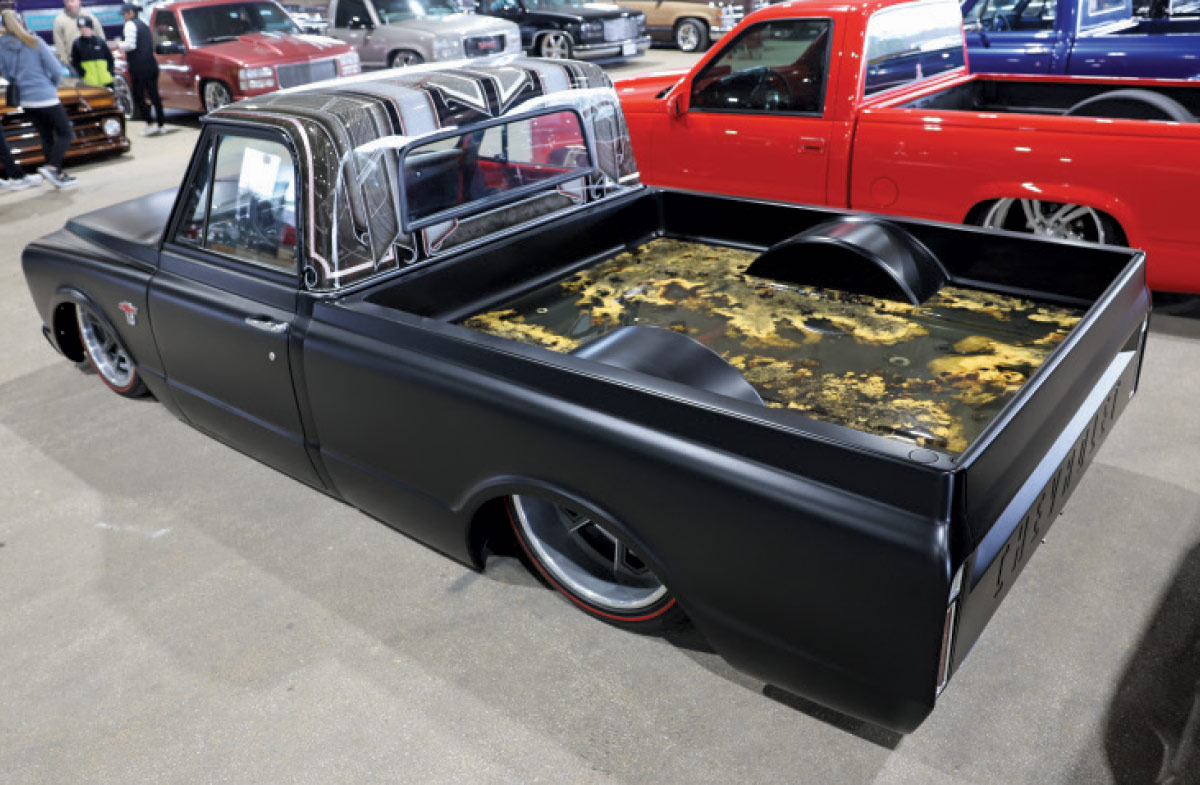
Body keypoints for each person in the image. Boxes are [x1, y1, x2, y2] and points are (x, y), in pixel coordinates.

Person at [0, 9, 76, 188]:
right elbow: (56, 70)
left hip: (25, 99)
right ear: (20, 22)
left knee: (46, 136)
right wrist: (52, 86)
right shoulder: (34, 41)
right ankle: (53, 167)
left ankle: (57, 175)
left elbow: (5, 72)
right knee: (66, 133)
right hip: (45, 95)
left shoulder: (1, 46)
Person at [118, 2, 166, 136]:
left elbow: (130, 45)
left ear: (131, 13)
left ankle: (150, 123)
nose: (123, 16)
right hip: (151, 64)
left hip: (138, 67)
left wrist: (119, 44)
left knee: (138, 96)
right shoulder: (144, 24)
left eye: (124, 14)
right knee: (154, 95)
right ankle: (161, 124)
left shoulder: (130, 25)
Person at [53, 0, 103, 67]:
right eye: (67, 2)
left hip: (93, 61)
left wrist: (102, 56)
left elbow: (100, 37)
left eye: (72, 1)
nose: (70, 4)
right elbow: (59, 43)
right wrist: (65, 61)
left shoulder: (89, 17)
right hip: (72, 62)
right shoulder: (59, 20)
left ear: (79, 1)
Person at [70, 16, 112, 86]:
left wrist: (110, 72)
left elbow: (109, 58)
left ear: (91, 28)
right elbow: (75, 62)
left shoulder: (100, 41)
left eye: (86, 28)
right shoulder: (76, 44)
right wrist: (83, 74)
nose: (83, 30)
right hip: (89, 82)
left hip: (106, 80)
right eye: (81, 28)